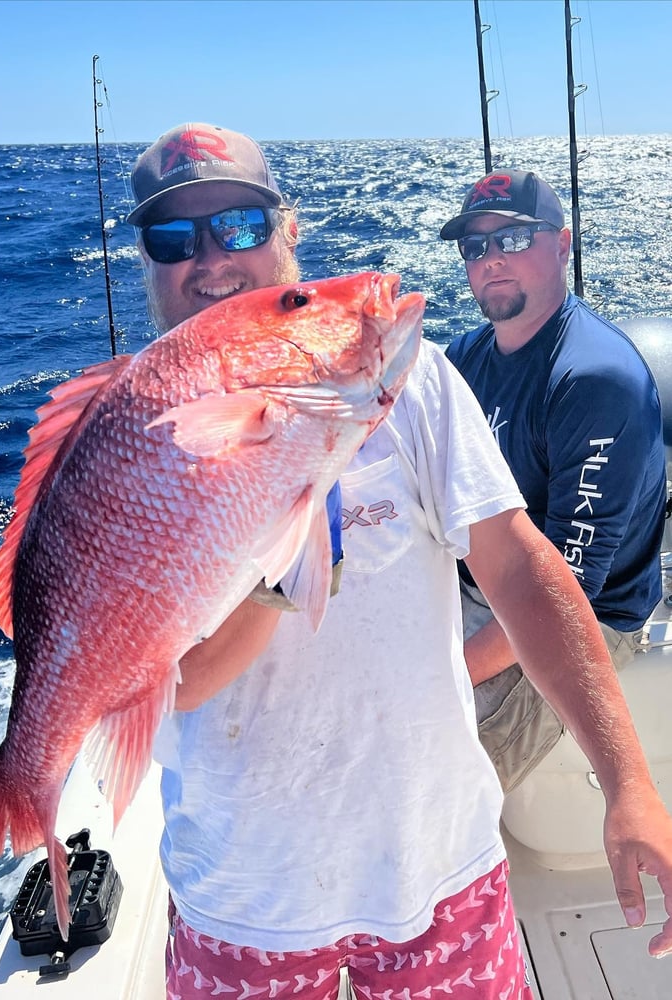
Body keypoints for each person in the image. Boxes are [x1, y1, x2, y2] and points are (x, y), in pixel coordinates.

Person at [127, 125, 672, 1000]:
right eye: (172, 238)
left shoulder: (408, 380)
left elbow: (522, 567)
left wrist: (629, 783)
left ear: (289, 234)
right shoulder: (130, 437)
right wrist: (282, 554)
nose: (209, 259)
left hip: (442, 871)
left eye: (239, 227)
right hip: (245, 898)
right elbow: (175, 682)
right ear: (146, 260)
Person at [441, 169, 667, 793]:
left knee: (432, 777)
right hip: (479, 577)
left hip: (582, 614)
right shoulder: (466, 356)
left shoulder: (594, 380)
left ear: (563, 245)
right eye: (475, 246)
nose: (491, 260)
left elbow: (564, 591)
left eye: (513, 239)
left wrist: (446, 673)